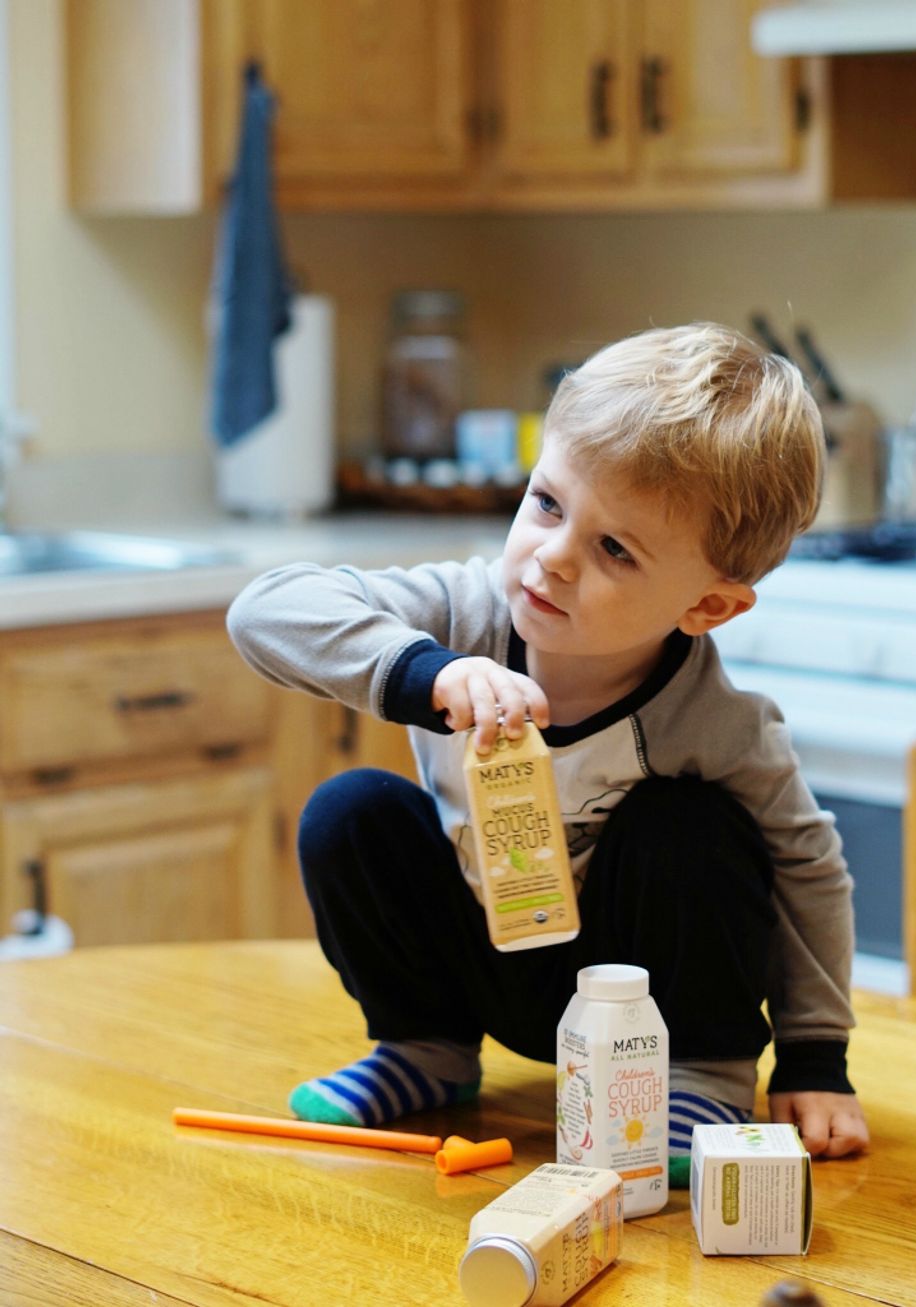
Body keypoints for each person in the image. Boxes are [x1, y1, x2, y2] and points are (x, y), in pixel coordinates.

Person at [227, 321, 870, 1178]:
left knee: (696, 829)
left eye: (614, 548)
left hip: (633, 1001)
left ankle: (700, 1076)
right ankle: (427, 1050)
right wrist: (430, 672)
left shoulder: (717, 721)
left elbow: (807, 868)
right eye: (547, 503)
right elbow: (263, 611)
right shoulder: (462, 610)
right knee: (349, 812)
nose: (552, 559)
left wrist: (815, 1057)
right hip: (484, 955)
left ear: (709, 607)